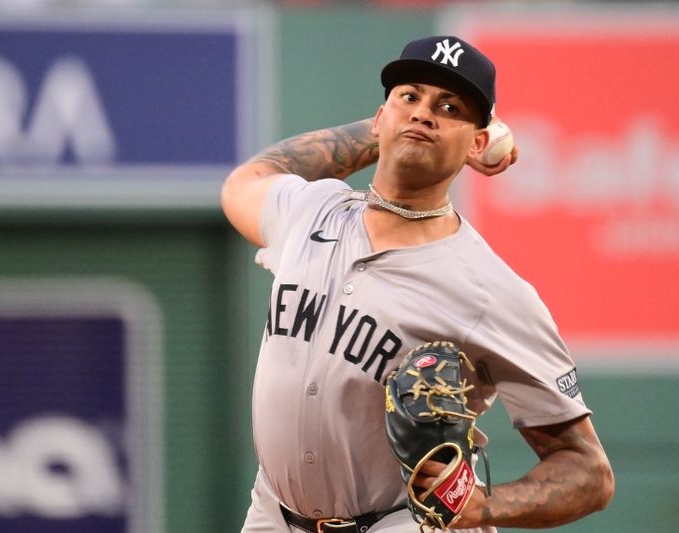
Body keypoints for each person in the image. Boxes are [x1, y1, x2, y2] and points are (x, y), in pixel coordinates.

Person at [222, 35, 614, 533]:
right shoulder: (310, 211)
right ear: (381, 115)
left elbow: (588, 472)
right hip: (273, 516)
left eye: (449, 106)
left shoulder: (490, 290)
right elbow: (247, 180)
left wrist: (481, 506)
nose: (425, 113)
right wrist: (392, 124)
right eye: (411, 96)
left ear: (477, 142)